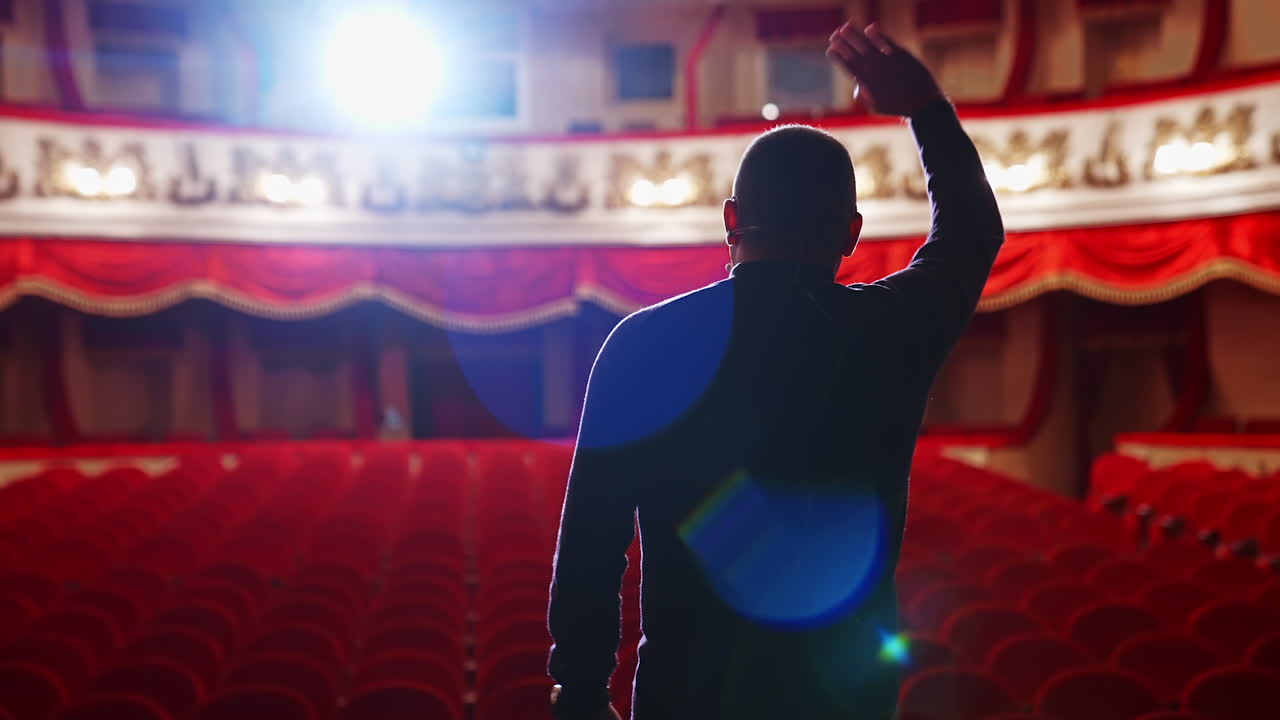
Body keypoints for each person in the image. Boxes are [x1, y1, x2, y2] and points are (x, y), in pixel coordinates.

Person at [547, 21, 1004, 720]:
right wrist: (925, 109)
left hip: (686, 699)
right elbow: (971, 232)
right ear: (851, 235)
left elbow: (592, 547)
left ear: (731, 219)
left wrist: (579, 693)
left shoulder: (644, 344)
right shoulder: (891, 330)